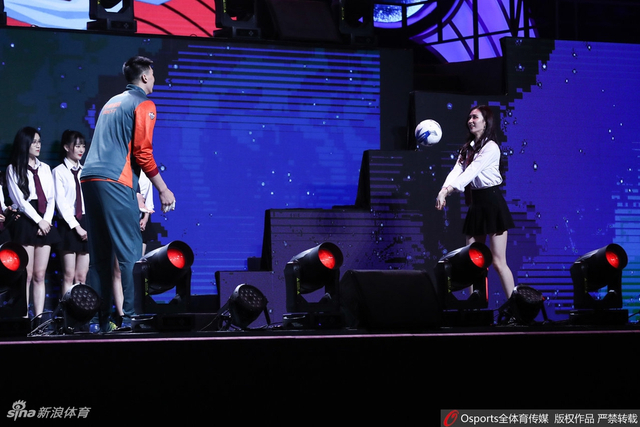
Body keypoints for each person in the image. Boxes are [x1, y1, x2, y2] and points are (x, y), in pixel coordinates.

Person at [81, 55, 176, 333]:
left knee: (99, 257)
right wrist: (163, 189)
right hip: (114, 179)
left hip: (89, 177)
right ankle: (134, 319)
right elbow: (142, 153)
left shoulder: (111, 102)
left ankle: (97, 323)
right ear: (145, 76)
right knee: (131, 254)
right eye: (153, 74)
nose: (155, 79)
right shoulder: (143, 104)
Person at [435, 105, 515, 299]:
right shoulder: (467, 149)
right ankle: (476, 305)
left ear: (486, 122)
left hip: (492, 204)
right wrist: (443, 190)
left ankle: (515, 304)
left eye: (475, 117)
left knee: (498, 261)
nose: (470, 121)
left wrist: (448, 191)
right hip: (476, 205)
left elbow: (471, 172)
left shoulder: (491, 147)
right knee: (471, 260)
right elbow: (457, 171)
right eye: (469, 117)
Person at [6, 126, 61, 321]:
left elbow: (51, 198)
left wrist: (46, 220)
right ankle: (23, 318)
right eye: (34, 142)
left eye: (39, 142)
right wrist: (38, 221)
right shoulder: (13, 168)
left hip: (45, 219)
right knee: (26, 274)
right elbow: (20, 201)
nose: (38, 145)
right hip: (27, 220)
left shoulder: (45, 168)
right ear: (25, 144)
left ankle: (38, 320)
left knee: (40, 274)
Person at [52, 130, 89, 296]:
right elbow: (61, 203)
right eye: (77, 146)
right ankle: (67, 310)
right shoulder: (58, 171)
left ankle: (81, 309)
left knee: (81, 276)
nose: (81, 150)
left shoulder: (86, 171)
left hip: (86, 222)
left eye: (83, 146)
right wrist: (76, 227)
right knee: (69, 274)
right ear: (67, 147)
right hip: (68, 225)